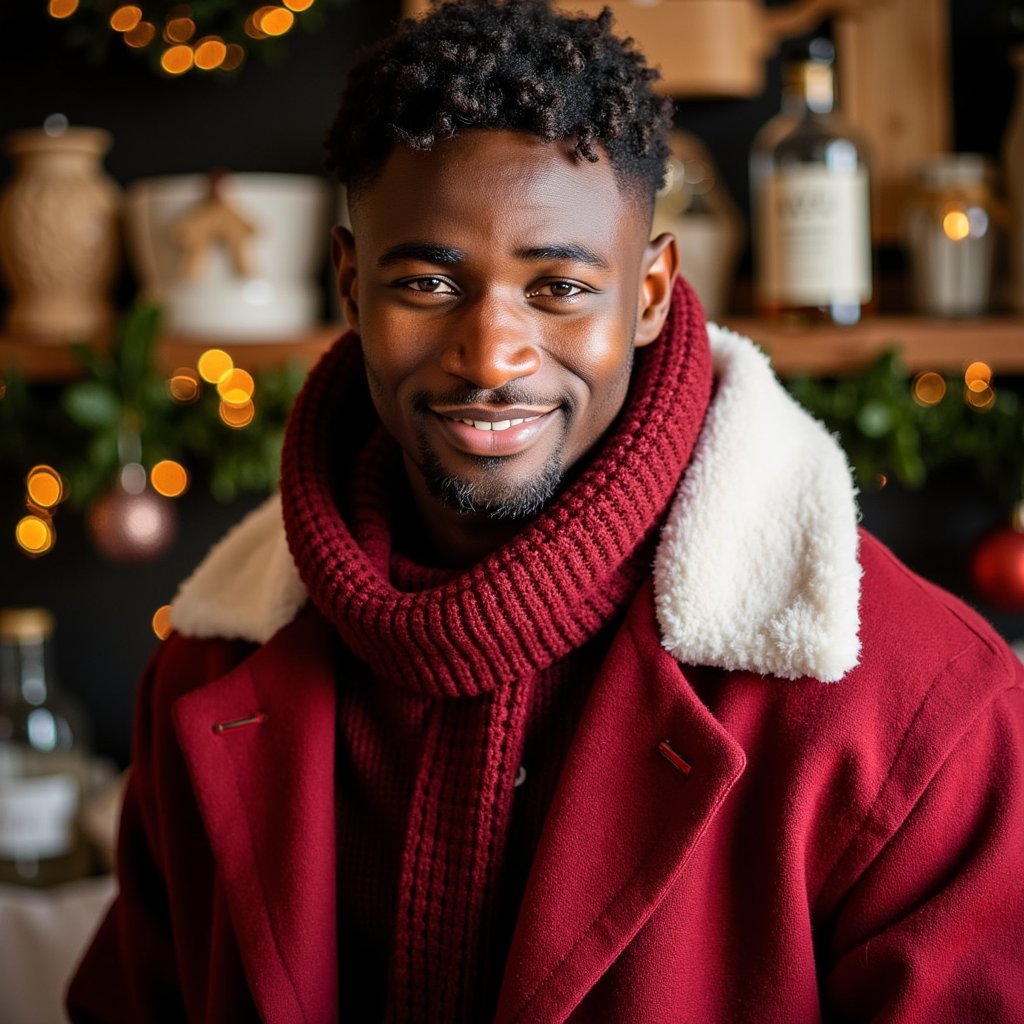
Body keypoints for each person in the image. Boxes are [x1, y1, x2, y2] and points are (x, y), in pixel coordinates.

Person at [68, 1, 1024, 1021]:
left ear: (650, 290)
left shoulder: (917, 710)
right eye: (428, 282)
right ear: (349, 284)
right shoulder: (207, 669)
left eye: (559, 286)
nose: (491, 355)